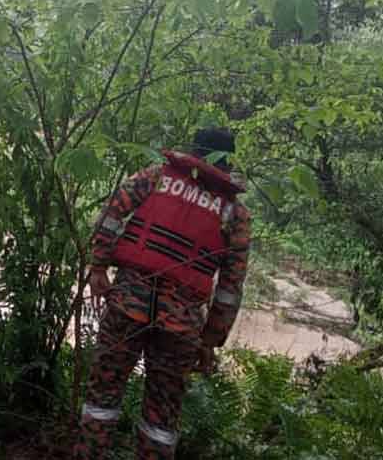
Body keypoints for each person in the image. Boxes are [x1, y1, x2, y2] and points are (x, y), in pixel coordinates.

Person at [75, 127, 252, 460]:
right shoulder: (235, 214)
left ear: (193, 152)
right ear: (227, 164)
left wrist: (98, 268)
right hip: (181, 326)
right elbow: (231, 288)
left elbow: (111, 214)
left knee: (101, 398)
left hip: (126, 306)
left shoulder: (155, 177)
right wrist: (210, 341)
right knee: (162, 417)